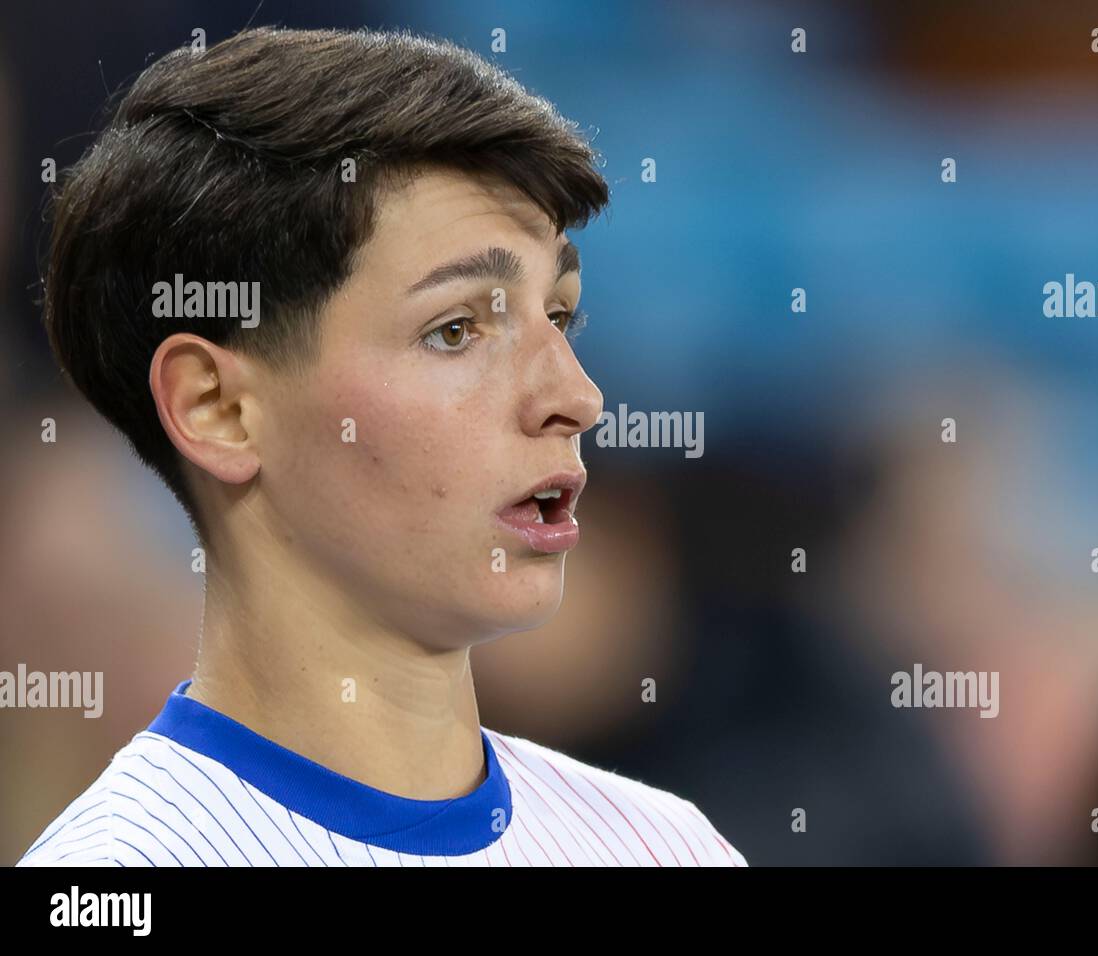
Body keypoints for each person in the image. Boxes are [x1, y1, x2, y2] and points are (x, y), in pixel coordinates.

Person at [17, 26, 744, 867]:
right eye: (456, 329)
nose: (577, 399)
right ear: (217, 408)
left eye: (559, 315)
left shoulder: (671, 847)